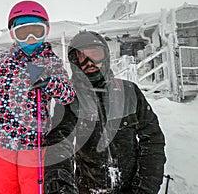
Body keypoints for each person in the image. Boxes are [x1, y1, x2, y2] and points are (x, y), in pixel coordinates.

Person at [0, 0, 75, 194]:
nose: (31, 38)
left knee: (32, 189)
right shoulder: (3, 60)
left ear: (46, 30)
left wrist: (49, 82)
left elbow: (68, 95)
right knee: (4, 189)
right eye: (23, 32)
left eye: (37, 30)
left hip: (33, 143)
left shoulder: (51, 61)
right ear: (13, 34)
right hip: (1, 140)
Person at [44, 30, 166, 194]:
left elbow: (153, 140)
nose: (89, 62)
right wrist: (60, 186)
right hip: (89, 189)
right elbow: (59, 145)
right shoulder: (70, 100)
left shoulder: (129, 92)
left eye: (95, 55)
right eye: (81, 57)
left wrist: (145, 187)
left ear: (106, 56)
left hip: (133, 188)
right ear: (74, 62)